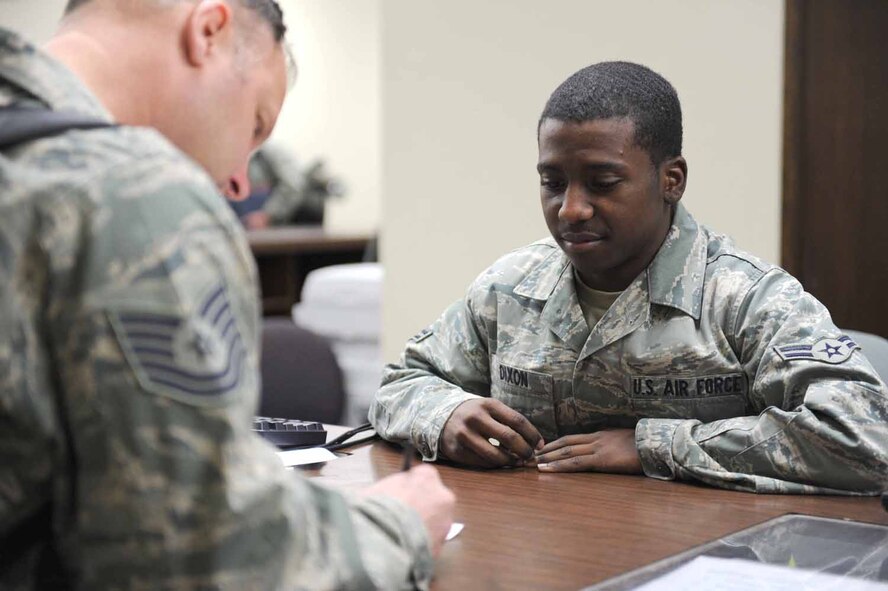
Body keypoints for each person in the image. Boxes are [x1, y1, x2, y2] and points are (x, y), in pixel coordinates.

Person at [0, 1, 453, 589]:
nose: (241, 180)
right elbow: (201, 559)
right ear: (208, 31)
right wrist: (398, 524)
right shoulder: (137, 201)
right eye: (255, 126)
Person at [370, 61, 888, 495]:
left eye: (603, 183)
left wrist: (651, 445)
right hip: (535, 549)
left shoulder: (747, 299)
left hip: (704, 556)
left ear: (671, 180)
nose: (570, 209)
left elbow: (864, 437)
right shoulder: (509, 288)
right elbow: (399, 385)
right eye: (552, 183)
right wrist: (445, 414)